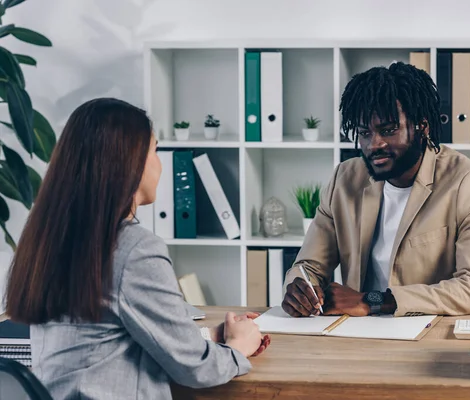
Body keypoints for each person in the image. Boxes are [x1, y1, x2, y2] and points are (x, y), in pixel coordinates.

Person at [3, 98, 270, 399]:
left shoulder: (49, 240)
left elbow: (104, 338)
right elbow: (198, 370)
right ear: (130, 163)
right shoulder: (134, 249)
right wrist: (239, 347)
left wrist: (207, 336)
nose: (160, 163)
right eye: (155, 150)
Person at [282, 61, 470, 318]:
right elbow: (309, 265)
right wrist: (300, 288)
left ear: (423, 127)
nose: (374, 144)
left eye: (388, 130)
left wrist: (372, 301)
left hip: (426, 334)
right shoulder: (345, 180)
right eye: (365, 132)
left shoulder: (469, 183)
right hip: (354, 333)